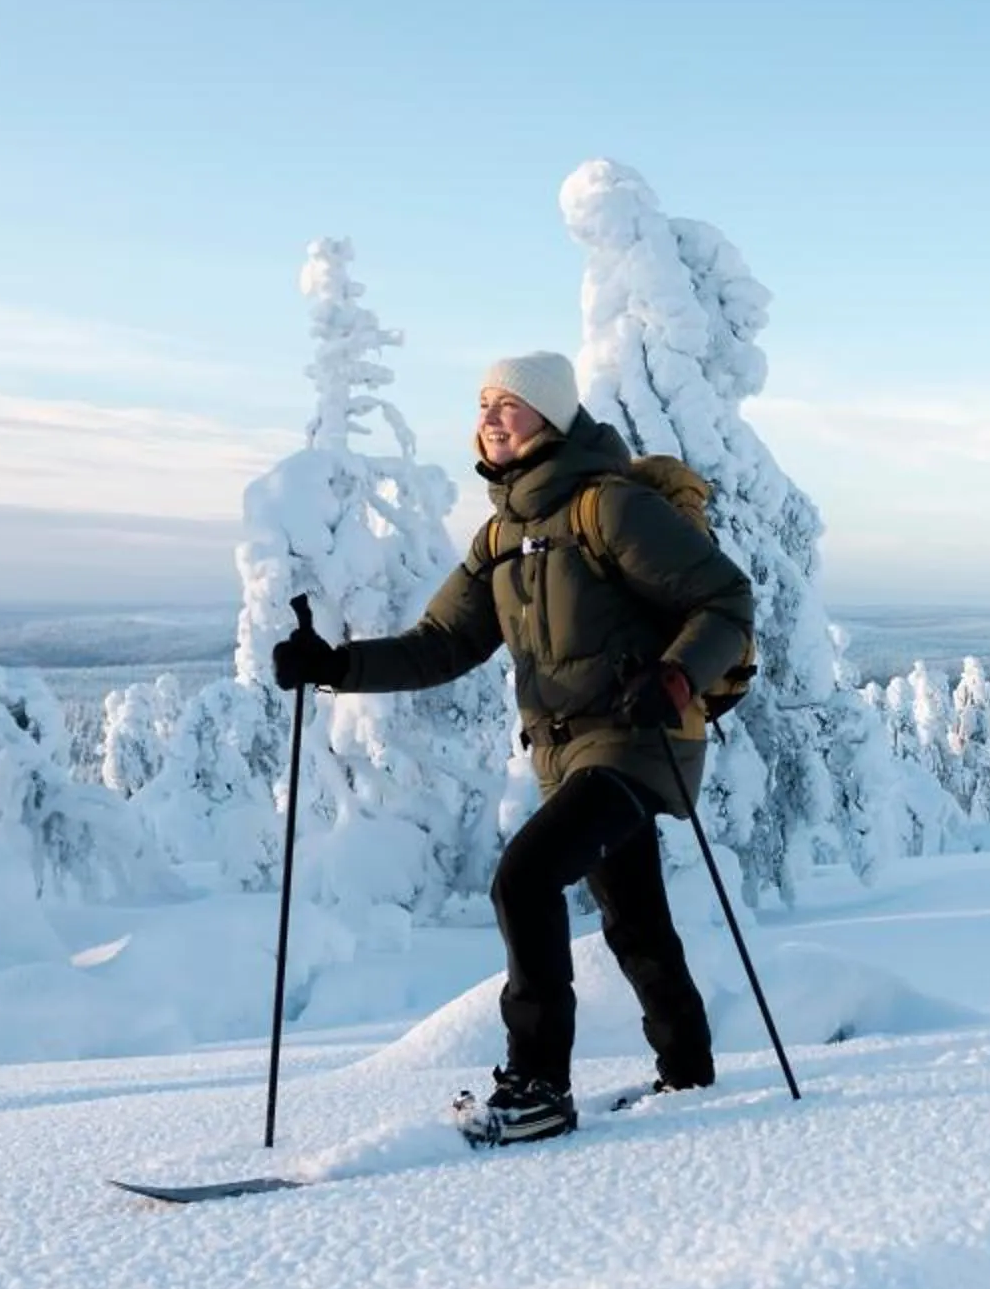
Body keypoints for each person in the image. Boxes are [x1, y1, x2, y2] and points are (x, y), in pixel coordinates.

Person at [270, 351, 756, 1142]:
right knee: (633, 917)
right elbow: (440, 644)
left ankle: (538, 1087)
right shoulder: (501, 535)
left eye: (510, 403)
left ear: (554, 417)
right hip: (564, 755)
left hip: (636, 739)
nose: (491, 416)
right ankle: (688, 1070)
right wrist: (336, 666)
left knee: (524, 879)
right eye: (485, 403)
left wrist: (673, 677)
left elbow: (726, 599)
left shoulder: (612, 508)